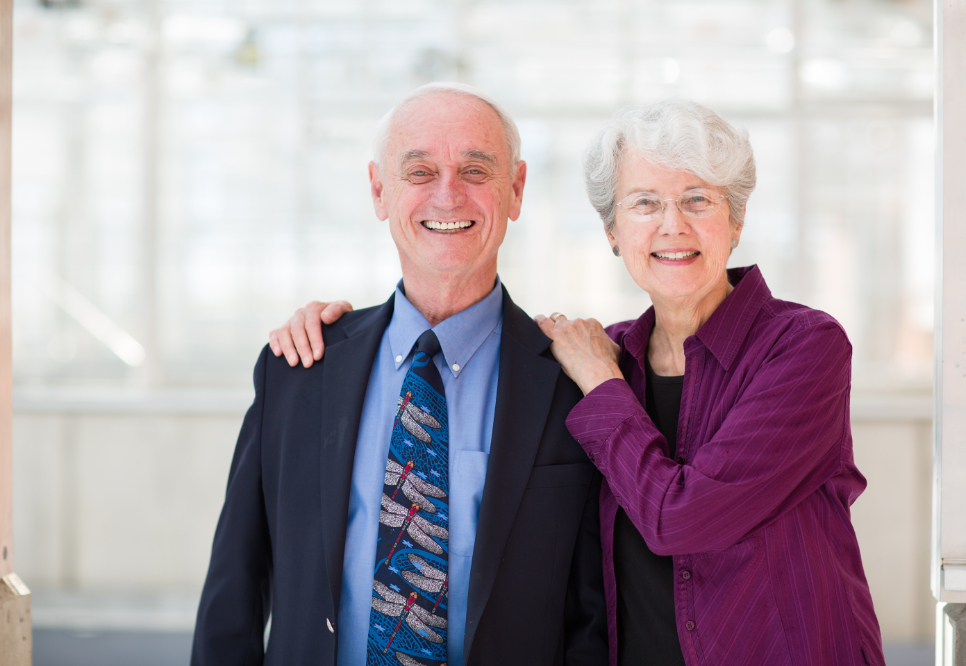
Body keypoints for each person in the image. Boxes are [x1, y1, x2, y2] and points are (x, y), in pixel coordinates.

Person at [270, 99, 885, 666]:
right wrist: (332, 332)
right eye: (644, 202)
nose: (672, 226)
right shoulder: (607, 355)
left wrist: (599, 381)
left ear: (738, 219)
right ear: (613, 232)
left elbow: (683, 520)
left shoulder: (801, 347)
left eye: (697, 199)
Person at [191, 83, 608, 666]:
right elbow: (233, 592)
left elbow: (596, 617)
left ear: (515, 190)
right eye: (419, 172)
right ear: (378, 189)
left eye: (475, 170)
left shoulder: (574, 384)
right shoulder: (300, 368)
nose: (448, 195)